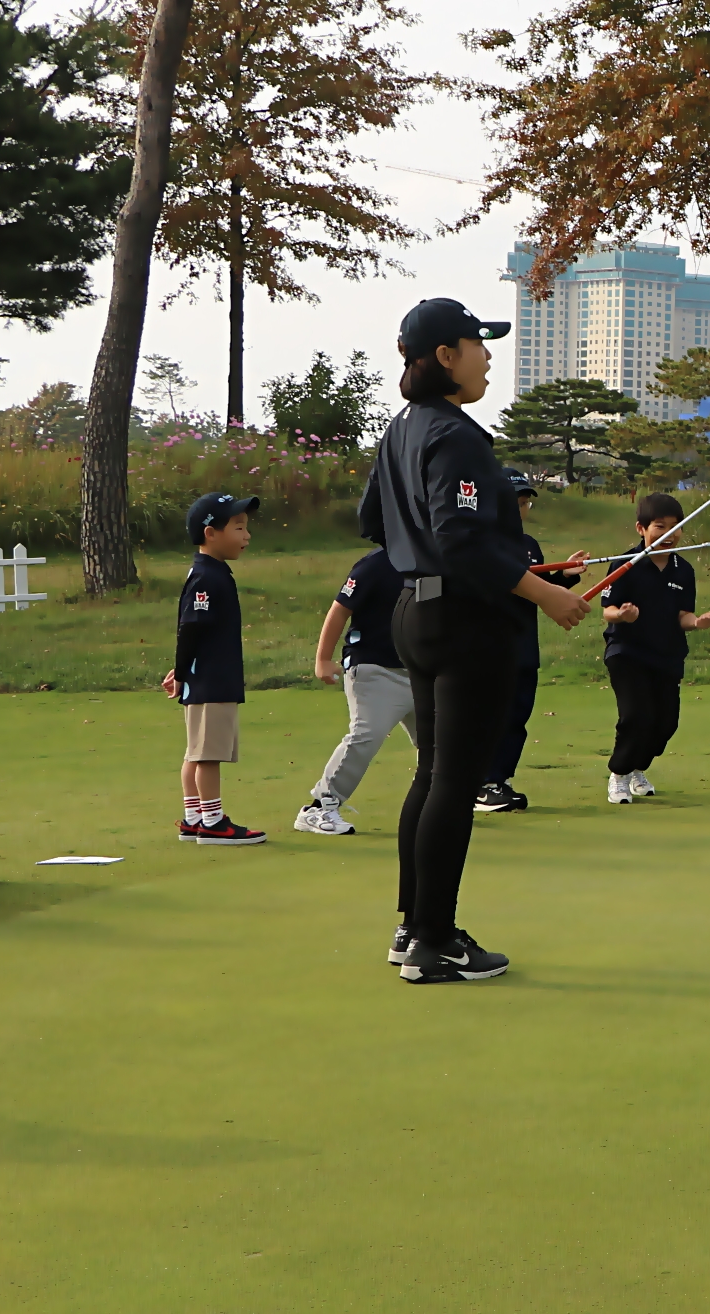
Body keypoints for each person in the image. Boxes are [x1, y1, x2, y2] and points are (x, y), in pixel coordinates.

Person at [360, 296, 592, 982]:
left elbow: (374, 521)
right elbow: (460, 540)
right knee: (455, 781)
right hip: (462, 622)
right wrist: (544, 593)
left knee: (433, 773)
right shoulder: (455, 434)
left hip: (414, 611)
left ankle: (414, 926)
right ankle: (434, 941)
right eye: (477, 344)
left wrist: (451, 554)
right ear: (445, 356)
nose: (488, 356)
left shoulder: (401, 429)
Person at [163, 491, 266, 846]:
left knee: (197, 751)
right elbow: (191, 628)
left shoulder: (212, 572)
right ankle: (212, 821)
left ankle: (194, 817)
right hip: (211, 679)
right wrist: (181, 671)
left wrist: (182, 670)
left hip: (207, 677)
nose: (246, 535)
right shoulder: (208, 577)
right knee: (208, 754)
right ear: (211, 533)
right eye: (238, 527)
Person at [597, 490, 710, 804]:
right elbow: (607, 609)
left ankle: (637, 767)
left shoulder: (683, 570)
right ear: (642, 528)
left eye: (676, 528)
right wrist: (622, 615)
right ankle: (619, 773)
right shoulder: (625, 564)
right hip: (627, 651)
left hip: (667, 653)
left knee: (665, 723)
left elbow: (682, 615)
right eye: (660, 527)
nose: (669, 535)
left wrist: (696, 622)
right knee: (637, 715)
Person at [480, 469, 583, 813]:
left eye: (524, 503)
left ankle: (499, 781)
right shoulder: (481, 545)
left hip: (524, 647)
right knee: (491, 717)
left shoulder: (529, 546)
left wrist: (563, 577)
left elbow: (541, 592)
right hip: (490, 647)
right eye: (514, 503)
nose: (520, 509)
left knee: (516, 719)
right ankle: (482, 783)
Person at [294, 545, 408, 836]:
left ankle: (444, 801)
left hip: (421, 670)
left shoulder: (434, 557)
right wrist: (322, 659)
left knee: (440, 741)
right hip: (374, 669)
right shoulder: (376, 564)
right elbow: (340, 609)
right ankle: (320, 806)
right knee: (366, 735)